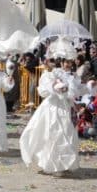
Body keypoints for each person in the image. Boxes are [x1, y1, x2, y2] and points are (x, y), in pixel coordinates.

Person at [20, 38, 82, 174]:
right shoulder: (51, 74)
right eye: (65, 62)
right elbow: (43, 90)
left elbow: (75, 92)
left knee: (66, 134)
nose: (68, 65)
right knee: (52, 133)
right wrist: (56, 87)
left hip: (66, 107)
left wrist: (73, 89)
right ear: (61, 62)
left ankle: (64, 163)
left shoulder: (72, 77)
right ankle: (51, 163)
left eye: (70, 63)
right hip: (53, 107)